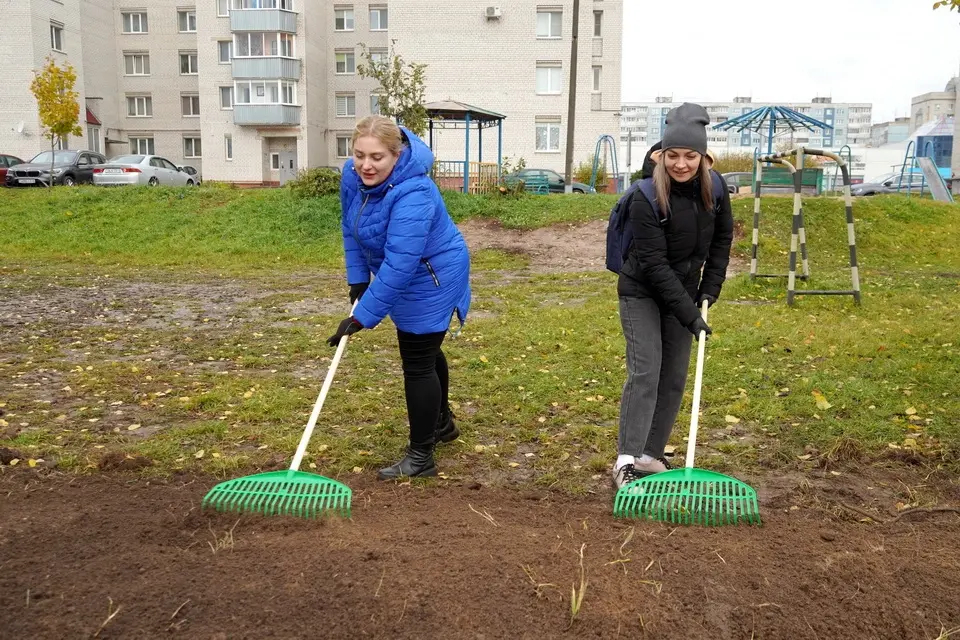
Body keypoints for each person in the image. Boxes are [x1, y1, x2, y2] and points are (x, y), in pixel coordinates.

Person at [327, 115, 471, 480]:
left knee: (418, 358)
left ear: (397, 154)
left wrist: (364, 315)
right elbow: (351, 228)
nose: (365, 165)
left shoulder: (415, 193)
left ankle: (422, 455)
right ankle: (442, 423)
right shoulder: (352, 176)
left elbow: (401, 263)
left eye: (376, 157)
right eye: (359, 154)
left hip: (433, 274)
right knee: (427, 349)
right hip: (408, 269)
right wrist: (359, 279)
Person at [612, 103, 734, 490]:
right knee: (646, 371)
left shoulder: (715, 189)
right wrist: (690, 314)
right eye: (673, 155)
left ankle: (651, 455)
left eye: (690, 156)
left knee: (675, 376)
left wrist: (709, 291)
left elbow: (722, 241)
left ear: (703, 158)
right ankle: (627, 459)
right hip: (642, 291)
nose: (681, 164)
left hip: (685, 292)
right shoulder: (644, 197)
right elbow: (653, 263)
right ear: (660, 156)